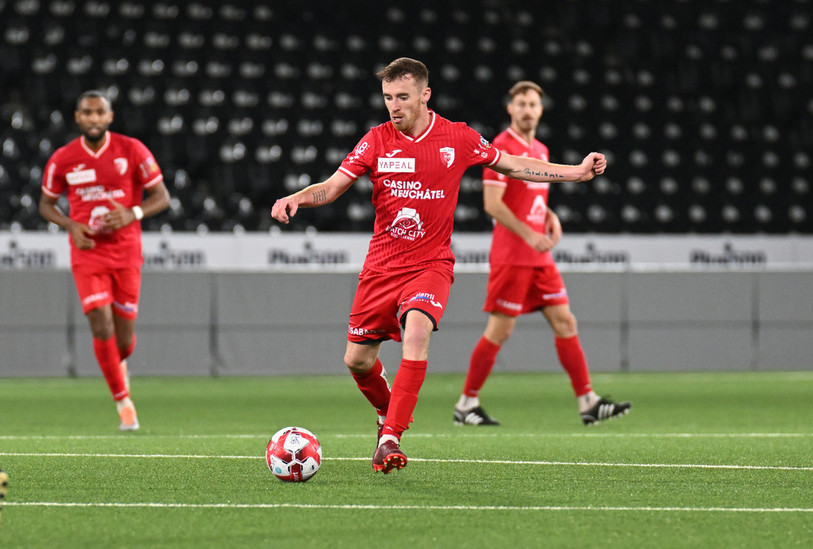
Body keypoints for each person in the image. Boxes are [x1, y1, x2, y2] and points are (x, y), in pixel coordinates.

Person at [272, 58, 607, 474]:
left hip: (430, 264)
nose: (394, 106)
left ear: (425, 95)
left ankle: (390, 438)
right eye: (388, 98)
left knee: (417, 332)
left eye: (403, 97)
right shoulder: (375, 141)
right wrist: (298, 198)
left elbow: (514, 164)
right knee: (357, 361)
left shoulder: (458, 138)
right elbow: (332, 187)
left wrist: (575, 173)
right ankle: (386, 411)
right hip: (381, 267)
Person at [453, 81, 631, 427]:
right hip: (512, 255)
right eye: (520, 103)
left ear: (541, 109)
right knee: (499, 331)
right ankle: (466, 404)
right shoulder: (500, 148)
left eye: (533, 104)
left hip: (538, 256)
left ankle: (588, 401)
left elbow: (534, 199)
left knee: (566, 321)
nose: (527, 110)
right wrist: (529, 235)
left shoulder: (542, 150)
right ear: (510, 109)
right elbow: (492, 204)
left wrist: (550, 218)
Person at [39, 90, 170, 431]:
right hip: (87, 254)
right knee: (101, 323)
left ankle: (119, 366)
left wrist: (133, 213)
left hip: (126, 252)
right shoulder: (63, 159)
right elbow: (46, 204)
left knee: (123, 340)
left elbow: (162, 196)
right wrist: (69, 225)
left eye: (100, 112)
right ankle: (124, 404)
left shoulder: (132, 149)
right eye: (87, 112)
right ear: (77, 117)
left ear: (110, 116)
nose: (93, 118)